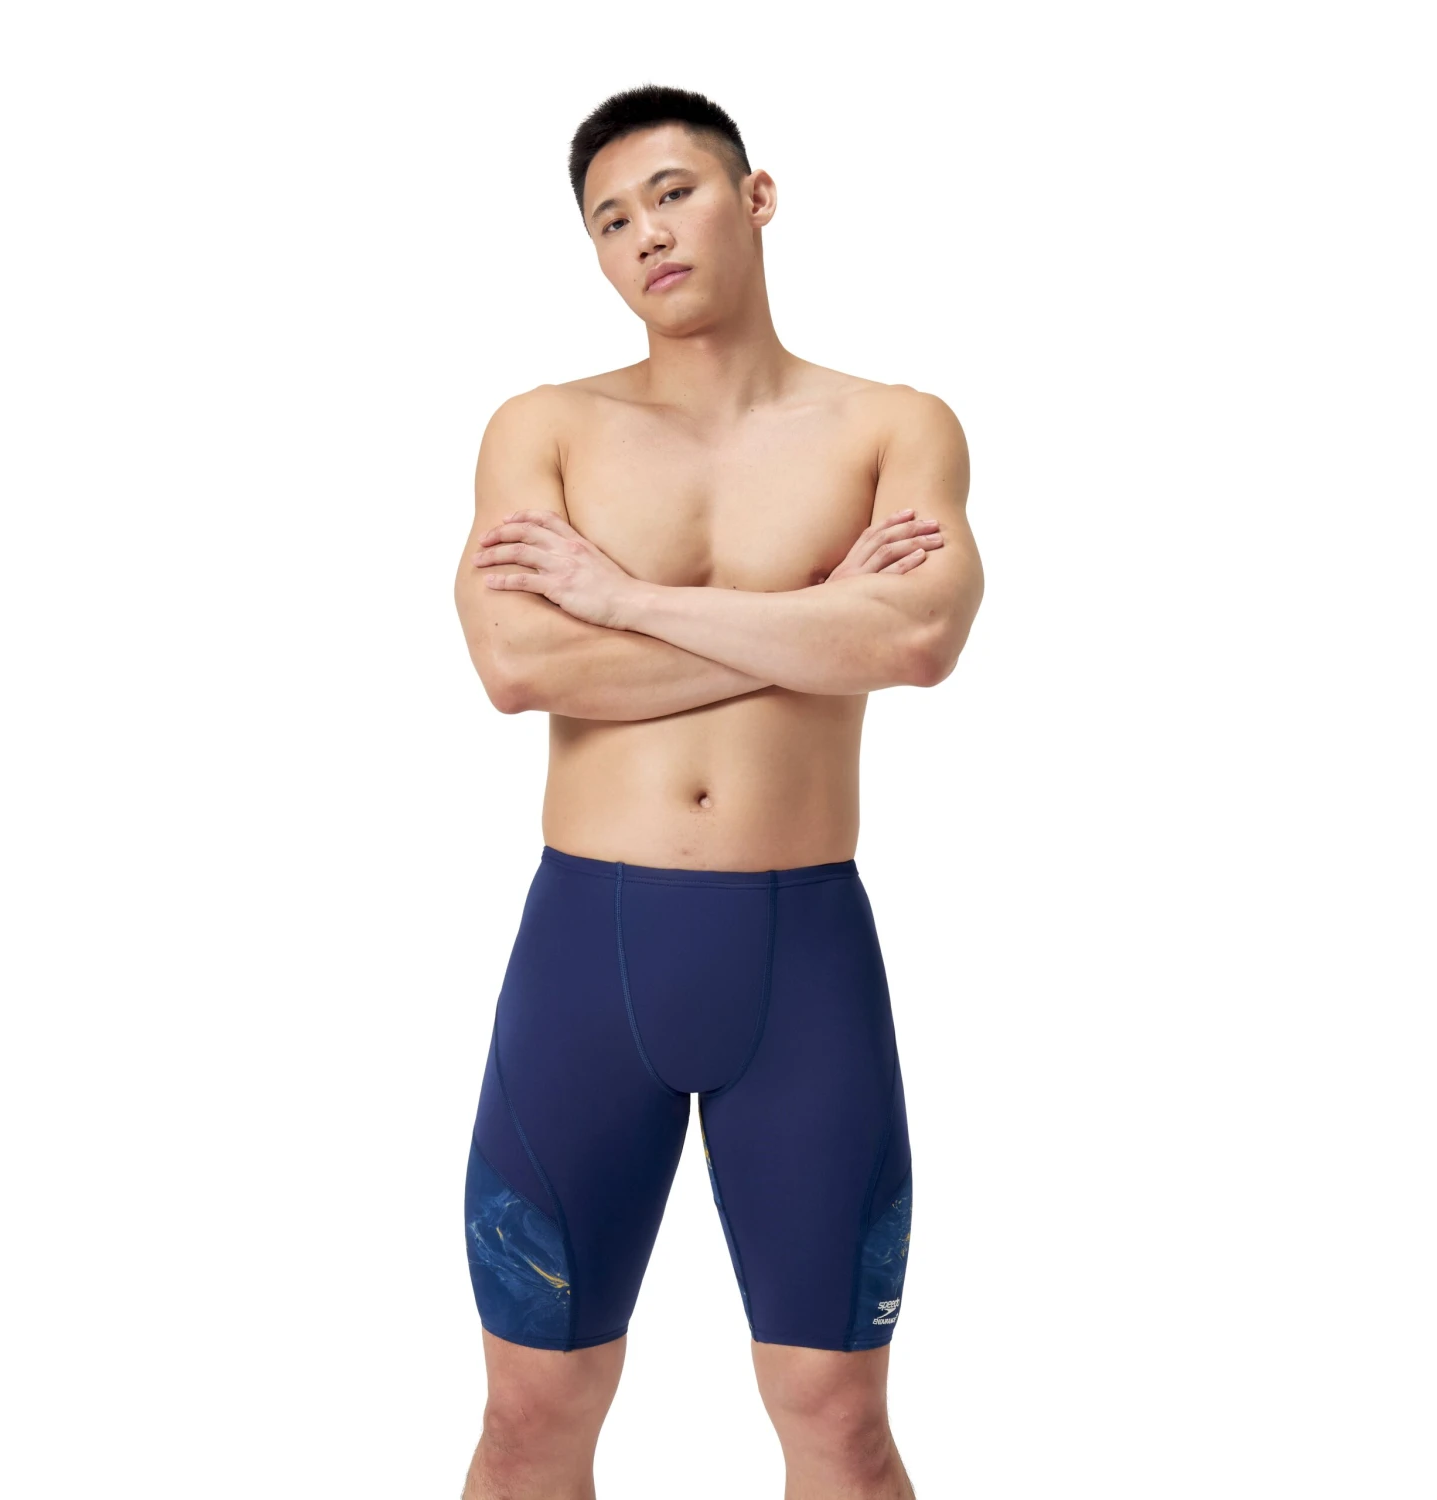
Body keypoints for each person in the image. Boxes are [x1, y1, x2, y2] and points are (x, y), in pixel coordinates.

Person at [453, 83, 983, 1500]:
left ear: (756, 198)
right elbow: (516, 663)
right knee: (528, 1417)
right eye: (609, 220)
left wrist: (622, 601)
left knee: (839, 1421)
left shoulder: (893, 425)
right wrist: (809, 622)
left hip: (802, 952)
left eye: (673, 193)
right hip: (589, 952)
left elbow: (916, 641)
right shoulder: (544, 427)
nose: (645, 233)